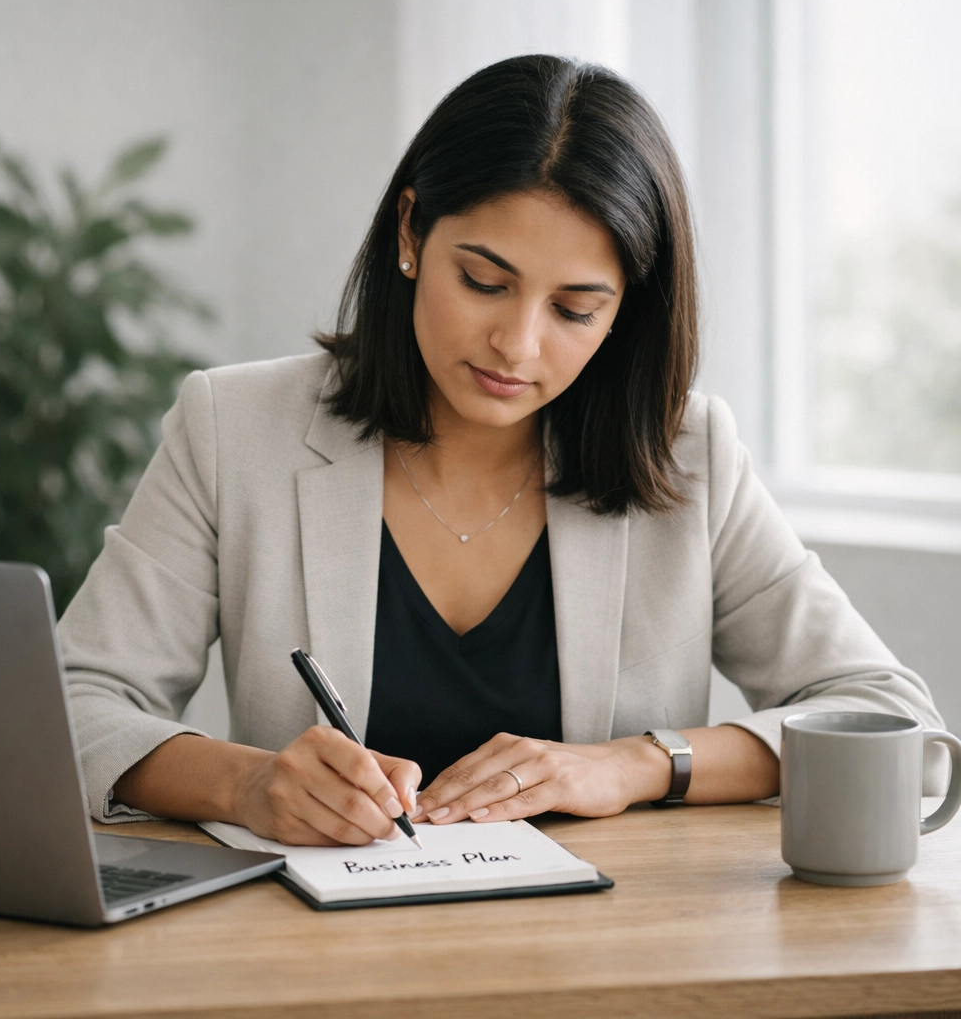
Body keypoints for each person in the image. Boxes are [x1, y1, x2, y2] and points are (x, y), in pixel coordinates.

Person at [60, 55, 945, 848]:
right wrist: (245, 783)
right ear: (410, 233)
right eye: (484, 281)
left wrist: (633, 765)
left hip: (615, 957)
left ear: (625, 312)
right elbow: (69, 708)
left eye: (574, 310)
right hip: (318, 955)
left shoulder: (690, 456)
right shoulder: (235, 427)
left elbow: (897, 728)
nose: (516, 346)